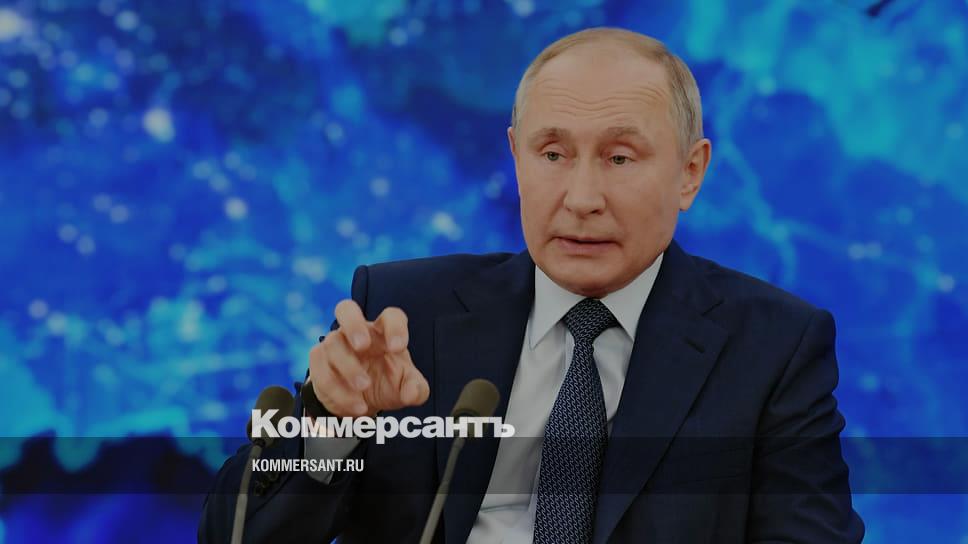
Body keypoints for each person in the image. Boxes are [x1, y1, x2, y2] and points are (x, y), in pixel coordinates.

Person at [199, 27, 864, 543]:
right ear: (516, 158)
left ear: (690, 173)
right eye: (552, 155)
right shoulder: (401, 317)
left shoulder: (773, 346)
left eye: (620, 158)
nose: (581, 198)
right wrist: (329, 428)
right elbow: (236, 534)